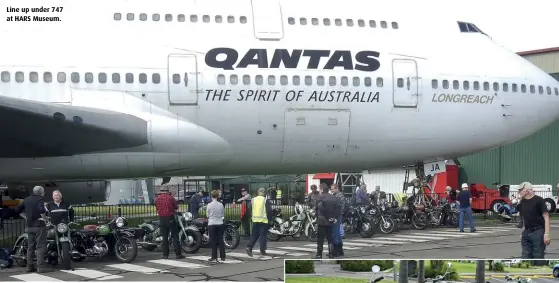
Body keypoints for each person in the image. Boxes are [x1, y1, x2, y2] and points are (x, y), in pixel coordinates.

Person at [14, 186, 51, 273]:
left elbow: (17, 210)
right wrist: (45, 219)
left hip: (29, 227)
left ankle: (29, 266)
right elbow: (41, 210)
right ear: (41, 192)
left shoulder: (26, 199)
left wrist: (25, 217)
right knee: (40, 246)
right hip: (39, 226)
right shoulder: (40, 199)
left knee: (30, 247)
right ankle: (41, 267)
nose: (44, 192)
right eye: (43, 191)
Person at [517, 182, 550, 260]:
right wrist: (523, 232)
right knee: (525, 256)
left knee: (538, 256)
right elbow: (524, 218)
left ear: (526, 190)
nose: (519, 192)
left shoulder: (539, 200)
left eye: (520, 190)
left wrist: (547, 234)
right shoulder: (522, 202)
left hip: (538, 232)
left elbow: (546, 217)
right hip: (526, 232)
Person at [155, 188, 184, 260]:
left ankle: (165, 255)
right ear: (167, 191)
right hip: (170, 218)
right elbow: (176, 206)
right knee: (175, 236)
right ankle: (178, 254)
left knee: (164, 238)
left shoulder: (158, 198)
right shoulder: (170, 198)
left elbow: (156, 206)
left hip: (162, 218)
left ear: (161, 192)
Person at [315, 183, 339, 258]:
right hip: (330, 221)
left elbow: (320, 208)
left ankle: (319, 254)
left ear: (322, 189)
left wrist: (327, 217)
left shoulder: (320, 197)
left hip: (322, 220)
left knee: (320, 239)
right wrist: (334, 217)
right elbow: (338, 209)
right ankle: (331, 253)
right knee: (330, 238)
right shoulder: (334, 198)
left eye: (319, 189)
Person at [245, 188, 271, 257]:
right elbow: (269, 211)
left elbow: (249, 208)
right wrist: (270, 220)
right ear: (264, 193)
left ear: (258, 192)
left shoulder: (253, 199)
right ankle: (262, 250)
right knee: (263, 236)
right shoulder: (265, 200)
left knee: (254, 235)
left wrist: (252, 215)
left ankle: (249, 247)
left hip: (255, 220)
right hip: (263, 221)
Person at [207, 190, 226, 263]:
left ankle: (214, 256)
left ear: (211, 196)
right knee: (220, 240)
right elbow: (222, 214)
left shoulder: (209, 205)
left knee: (213, 241)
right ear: (218, 196)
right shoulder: (220, 204)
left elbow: (207, 215)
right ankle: (223, 256)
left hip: (212, 223)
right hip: (219, 223)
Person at [330, 184, 345, 257]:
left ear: (337, 189)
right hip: (337, 216)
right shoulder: (336, 196)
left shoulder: (339, 196)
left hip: (337, 216)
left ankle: (335, 251)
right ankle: (340, 250)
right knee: (338, 234)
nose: (331, 190)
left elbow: (339, 208)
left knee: (335, 233)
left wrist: (335, 216)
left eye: (332, 189)